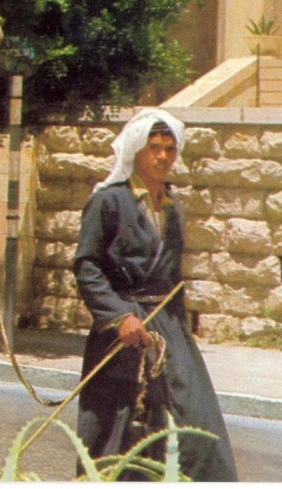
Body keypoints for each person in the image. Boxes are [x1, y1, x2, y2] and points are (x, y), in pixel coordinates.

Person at [72, 108, 238, 481]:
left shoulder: (175, 208)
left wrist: (182, 330)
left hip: (169, 330)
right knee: (119, 425)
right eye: (154, 148)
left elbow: (173, 277)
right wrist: (118, 317)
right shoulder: (108, 202)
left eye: (169, 149)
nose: (163, 156)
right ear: (136, 151)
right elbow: (87, 267)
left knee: (194, 419)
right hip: (123, 328)